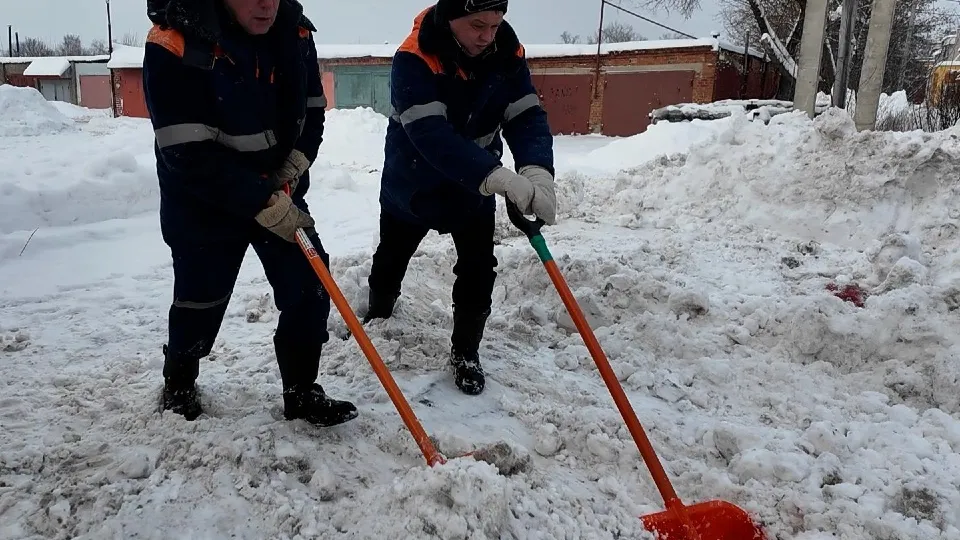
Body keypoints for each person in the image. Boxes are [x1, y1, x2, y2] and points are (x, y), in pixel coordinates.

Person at [142, 0, 358, 426]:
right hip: (203, 198)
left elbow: (312, 110)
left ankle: (301, 391)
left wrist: (298, 160)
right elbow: (185, 152)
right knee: (200, 297)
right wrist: (260, 200)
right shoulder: (175, 43)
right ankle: (180, 381)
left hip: (276, 186)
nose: (266, 4)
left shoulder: (295, 33)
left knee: (310, 284)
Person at [364, 0, 557, 395]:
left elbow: (525, 114)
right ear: (451, 18)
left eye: (495, 25)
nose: (487, 36)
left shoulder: (507, 53)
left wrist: (536, 169)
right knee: (391, 257)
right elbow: (431, 134)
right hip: (414, 182)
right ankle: (379, 314)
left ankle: (466, 351)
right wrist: (495, 176)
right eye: (477, 25)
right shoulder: (415, 57)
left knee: (478, 267)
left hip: (472, 188)